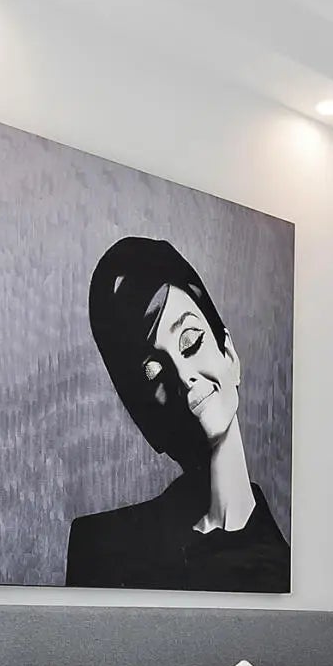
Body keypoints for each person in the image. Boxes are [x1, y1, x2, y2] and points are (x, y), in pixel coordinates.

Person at [66, 235, 288, 591]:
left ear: (230, 356)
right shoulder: (102, 549)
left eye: (191, 341)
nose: (184, 377)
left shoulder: (282, 569)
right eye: (153, 372)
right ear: (145, 420)